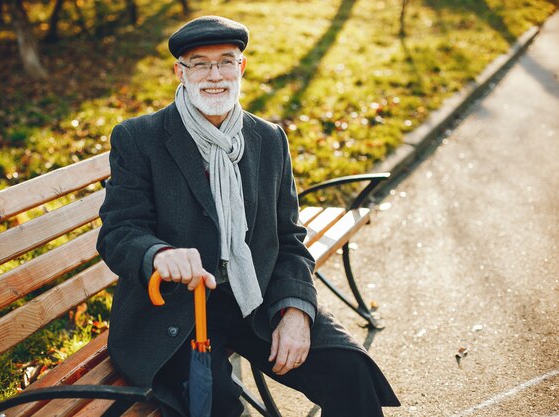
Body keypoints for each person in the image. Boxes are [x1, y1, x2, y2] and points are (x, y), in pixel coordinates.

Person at [97, 15, 400, 417]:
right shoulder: (140, 138)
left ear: (241, 67)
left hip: (253, 294)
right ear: (180, 72)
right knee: (217, 403)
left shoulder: (268, 139)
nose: (215, 75)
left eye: (225, 61)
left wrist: (295, 309)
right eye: (200, 63)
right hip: (175, 312)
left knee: (349, 368)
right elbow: (119, 230)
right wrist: (157, 254)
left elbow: (289, 239)